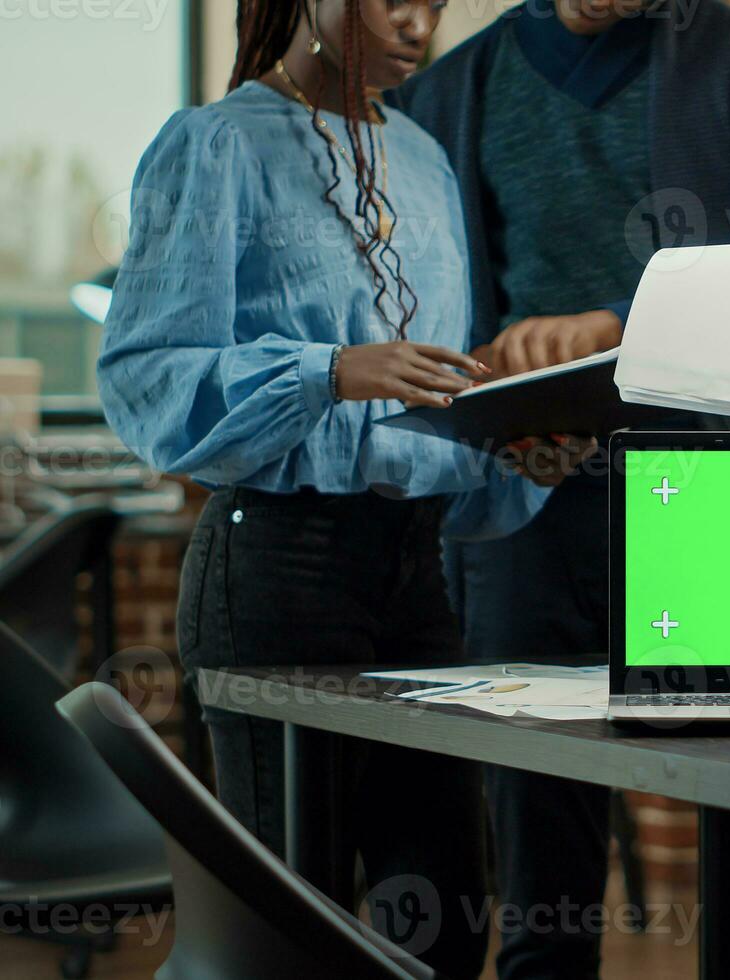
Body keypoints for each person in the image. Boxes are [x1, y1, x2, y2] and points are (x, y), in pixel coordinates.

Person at [389, 2, 730, 978]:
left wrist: (616, 323)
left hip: (725, 512)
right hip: (526, 507)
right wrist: (496, 378)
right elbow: (430, 313)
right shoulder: (446, 94)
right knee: (540, 873)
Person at [97, 0, 566, 973]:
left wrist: (514, 455)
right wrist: (325, 370)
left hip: (415, 573)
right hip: (275, 567)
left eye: (436, 3)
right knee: (288, 919)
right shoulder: (214, 143)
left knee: (444, 908)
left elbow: (429, 407)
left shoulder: (426, 161)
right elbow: (146, 375)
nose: (419, 20)